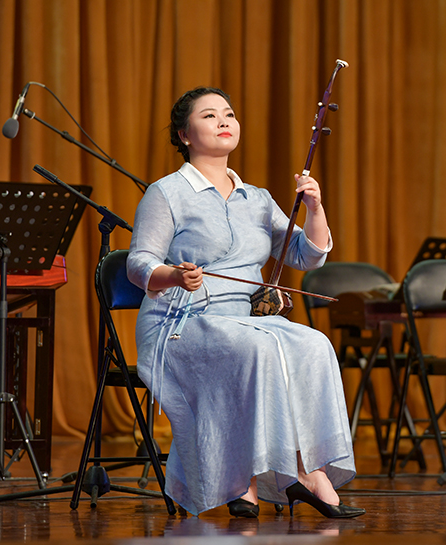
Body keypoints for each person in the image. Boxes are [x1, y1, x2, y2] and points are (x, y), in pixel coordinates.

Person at [126, 87, 364, 519]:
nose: (224, 121)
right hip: (181, 320)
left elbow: (303, 255)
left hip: (244, 320)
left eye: (229, 114)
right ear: (184, 134)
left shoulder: (256, 197)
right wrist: (175, 274)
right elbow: (138, 263)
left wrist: (314, 207)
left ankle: (302, 468)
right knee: (258, 350)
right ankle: (256, 478)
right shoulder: (167, 193)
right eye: (209, 115)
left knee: (313, 344)